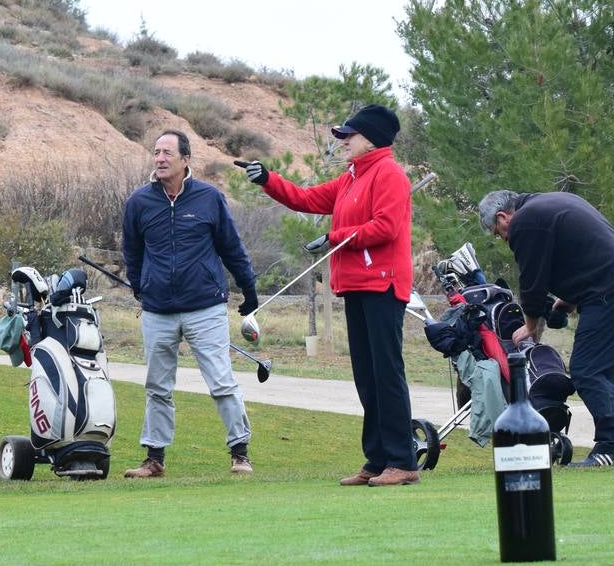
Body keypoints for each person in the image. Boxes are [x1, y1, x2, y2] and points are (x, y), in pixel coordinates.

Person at [240, 104, 419, 486]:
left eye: (348, 136)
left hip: (383, 285)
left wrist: (333, 238)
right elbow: (306, 199)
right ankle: (377, 460)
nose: (343, 142)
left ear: (369, 138)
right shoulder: (352, 177)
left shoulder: (389, 174)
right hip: (356, 285)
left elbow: (386, 228)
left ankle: (403, 461)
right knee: (367, 376)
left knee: (386, 373)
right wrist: (268, 180)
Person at [478, 189, 614, 467]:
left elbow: (532, 282)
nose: (503, 239)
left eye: (498, 233)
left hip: (611, 291)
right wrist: (568, 300)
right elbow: (584, 253)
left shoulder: (524, 221)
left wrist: (531, 325)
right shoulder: (552, 202)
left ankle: (610, 444)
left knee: (587, 371)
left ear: (502, 217)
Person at [121, 130, 260, 478]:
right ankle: (154, 459)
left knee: (221, 381)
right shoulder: (139, 203)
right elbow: (132, 253)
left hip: (205, 306)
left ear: (185, 160)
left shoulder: (209, 199)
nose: (160, 158)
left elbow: (232, 247)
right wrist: (141, 287)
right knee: (157, 386)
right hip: (157, 310)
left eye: (167, 152)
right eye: (156, 152)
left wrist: (249, 288)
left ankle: (240, 453)